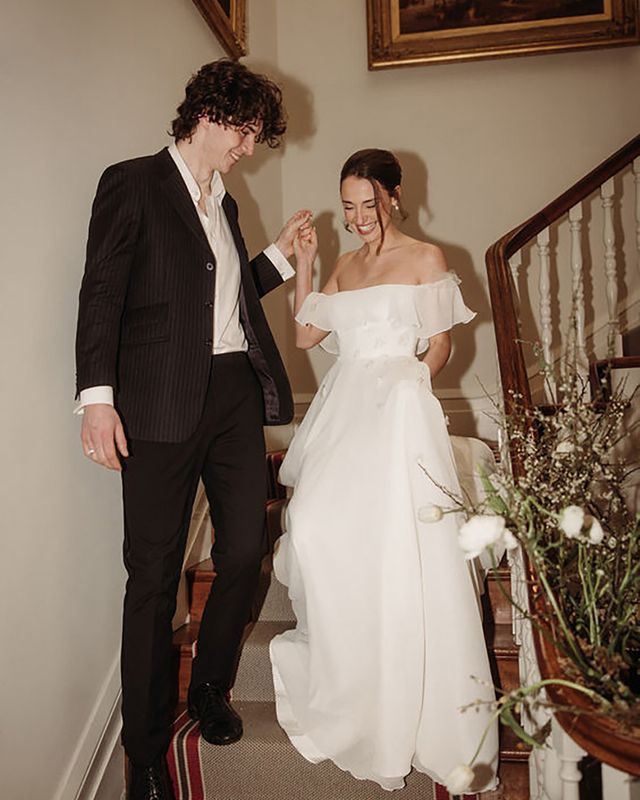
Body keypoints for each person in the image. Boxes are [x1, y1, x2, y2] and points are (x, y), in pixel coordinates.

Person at [75, 59, 313, 800]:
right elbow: (102, 292)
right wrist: (96, 397)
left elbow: (225, 287)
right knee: (152, 578)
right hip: (157, 403)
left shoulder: (225, 201)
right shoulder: (134, 183)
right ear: (213, 114)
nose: (251, 149)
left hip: (233, 392)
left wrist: (282, 254)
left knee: (245, 547)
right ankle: (144, 753)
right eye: (248, 134)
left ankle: (209, 687)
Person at [269, 149, 499, 792]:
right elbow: (309, 336)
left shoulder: (427, 258)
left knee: (400, 545)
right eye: (348, 207)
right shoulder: (343, 265)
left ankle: (407, 694)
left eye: (369, 204)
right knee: (312, 528)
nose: (359, 217)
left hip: (400, 409)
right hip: (346, 410)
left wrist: (413, 386)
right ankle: (350, 676)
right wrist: (309, 263)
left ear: (394, 197)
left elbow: (442, 343)